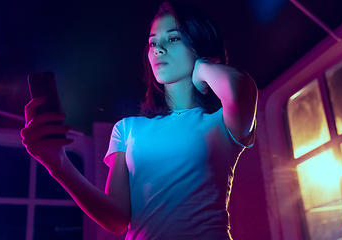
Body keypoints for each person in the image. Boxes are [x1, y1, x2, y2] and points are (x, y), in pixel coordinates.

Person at [21, 1, 257, 240]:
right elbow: (117, 219)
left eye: (173, 38)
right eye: (153, 42)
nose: (157, 48)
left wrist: (204, 66)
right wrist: (59, 165)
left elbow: (242, 87)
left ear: (201, 46)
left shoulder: (221, 123)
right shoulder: (126, 128)